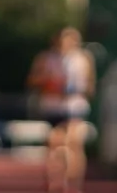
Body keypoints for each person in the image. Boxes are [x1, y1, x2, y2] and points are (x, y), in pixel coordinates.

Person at [28, 28, 96, 193]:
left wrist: (74, 88)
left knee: (73, 142)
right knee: (54, 143)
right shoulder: (45, 58)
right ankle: (54, 181)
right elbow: (32, 80)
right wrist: (47, 82)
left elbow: (90, 86)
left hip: (74, 107)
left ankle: (74, 183)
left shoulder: (83, 59)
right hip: (52, 107)